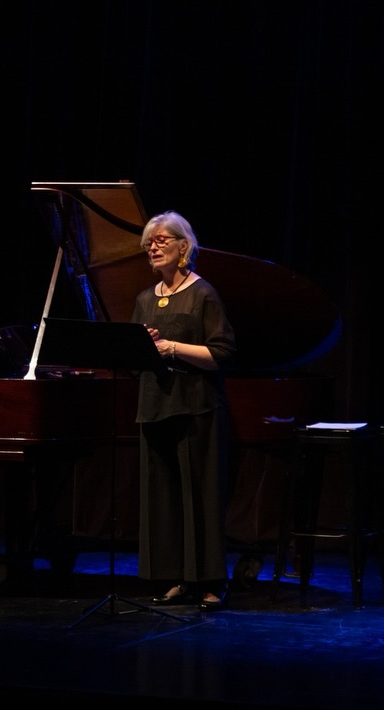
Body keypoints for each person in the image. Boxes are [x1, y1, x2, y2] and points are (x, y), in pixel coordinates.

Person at [130, 211, 237, 611]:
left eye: (161, 240)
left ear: (183, 247)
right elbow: (134, 356)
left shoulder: (203, 294)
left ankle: (209, 580)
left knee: (201, 496)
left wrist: (171, 346)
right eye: (149, 243)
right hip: (155, 406)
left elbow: (222, 353)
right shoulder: (144, 299)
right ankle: (176, 577)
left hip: (197, 408)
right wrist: (144, 344)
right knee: (163, 498)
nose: (153, 247)